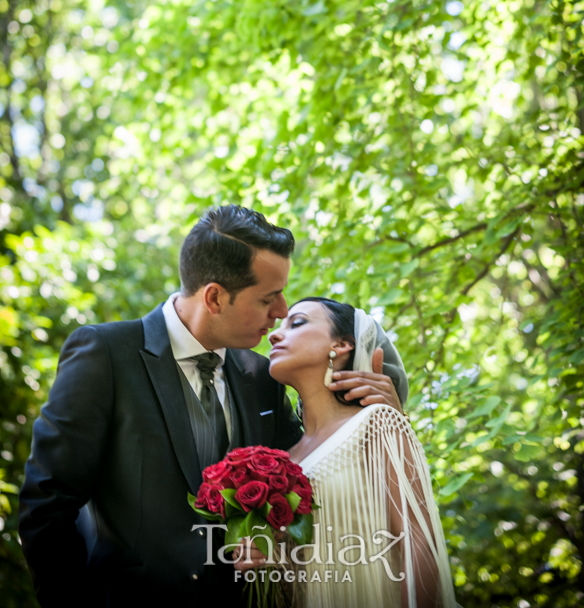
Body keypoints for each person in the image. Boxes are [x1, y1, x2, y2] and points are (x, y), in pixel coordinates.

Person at [18, 207, 405, 608]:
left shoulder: (263, 378)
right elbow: (47, 503)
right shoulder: (106, 355)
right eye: (268, 298)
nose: (282, 311)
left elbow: (315, 476)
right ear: (215, 297)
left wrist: (384, 417)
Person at [265, 297, 459, 608]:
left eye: (297, 322)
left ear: (341, 344)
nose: (274, 334)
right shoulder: (283, 462)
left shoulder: (377, 423)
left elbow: (419, 545)